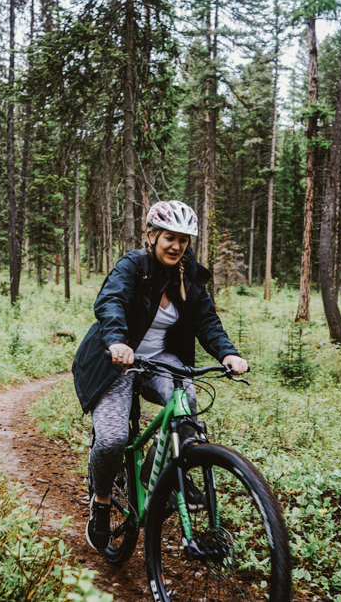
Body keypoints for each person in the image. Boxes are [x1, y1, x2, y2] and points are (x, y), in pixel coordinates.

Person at [71, 200, 249, 552]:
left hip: (160, 361)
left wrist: (228, 351)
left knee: (186, 401)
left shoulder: (189, 275)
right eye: (170, 237)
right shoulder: (133, 266)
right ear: (151, 235)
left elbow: (206, 320)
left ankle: (167, 473)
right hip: (116, 360)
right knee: (112, 438)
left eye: (184, 240)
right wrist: (118, 341)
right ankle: (102, 501)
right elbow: (111, 302)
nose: (177, 246)